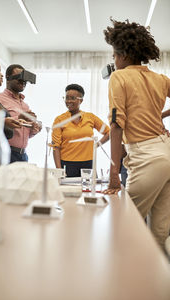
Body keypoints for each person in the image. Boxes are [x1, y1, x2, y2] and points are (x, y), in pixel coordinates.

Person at [103, 19, 170, 253]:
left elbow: (116, 125)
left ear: (122, 55)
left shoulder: (119, 77)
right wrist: (160, 116)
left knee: (122, 223)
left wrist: (114, 174)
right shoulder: (161, 79)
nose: (114, 60)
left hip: (146, 157)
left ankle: (120, 282)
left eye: (114, 55)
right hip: (166, 152)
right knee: (160, 232)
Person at [52, 83, 110, 177]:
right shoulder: (59, 120)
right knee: (68, 191)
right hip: (67, 164)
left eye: (73, 98)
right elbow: (56, 147)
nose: (69, 101)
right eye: (67, 98)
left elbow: (108, 132)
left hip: (88, 164)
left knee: (91, 190)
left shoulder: (90, 117)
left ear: (81, 100)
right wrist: (59, 170)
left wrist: (95, 145)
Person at [0, 64, 41, 163]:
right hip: (5, 152)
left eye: (25, 79)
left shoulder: (25, 105)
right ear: (8, 78)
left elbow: (26, 133)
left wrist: (34, 129)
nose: (23, 82)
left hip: (23, 155)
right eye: (19, 78)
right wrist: (18, 118)